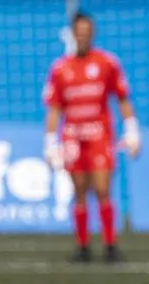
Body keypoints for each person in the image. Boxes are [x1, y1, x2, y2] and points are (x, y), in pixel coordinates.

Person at [43, 11, 140, 263]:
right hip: (73, 136)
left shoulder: (107, 63)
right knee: (80, 191)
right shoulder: (61, 68)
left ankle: (110, 245)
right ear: (73, 34)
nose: (83, 36)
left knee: (103, 189)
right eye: (80, 31)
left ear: (92, 33)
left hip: (100, 134)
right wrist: (50, 142)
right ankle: (83, 246)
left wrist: (131, 130)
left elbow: (122, 98)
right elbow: (54, 108)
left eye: (87, 31)